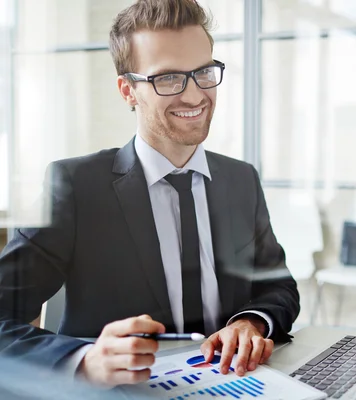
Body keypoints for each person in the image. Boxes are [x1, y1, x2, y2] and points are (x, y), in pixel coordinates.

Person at [0, 0, 300, 389]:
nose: (194, 96)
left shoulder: (240, 180)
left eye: (203, 73)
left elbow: (278, 287)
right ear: (128, 90)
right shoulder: (75, 186)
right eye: (168, 78)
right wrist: (85, 359)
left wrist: (250, 322)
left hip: (239, 385)